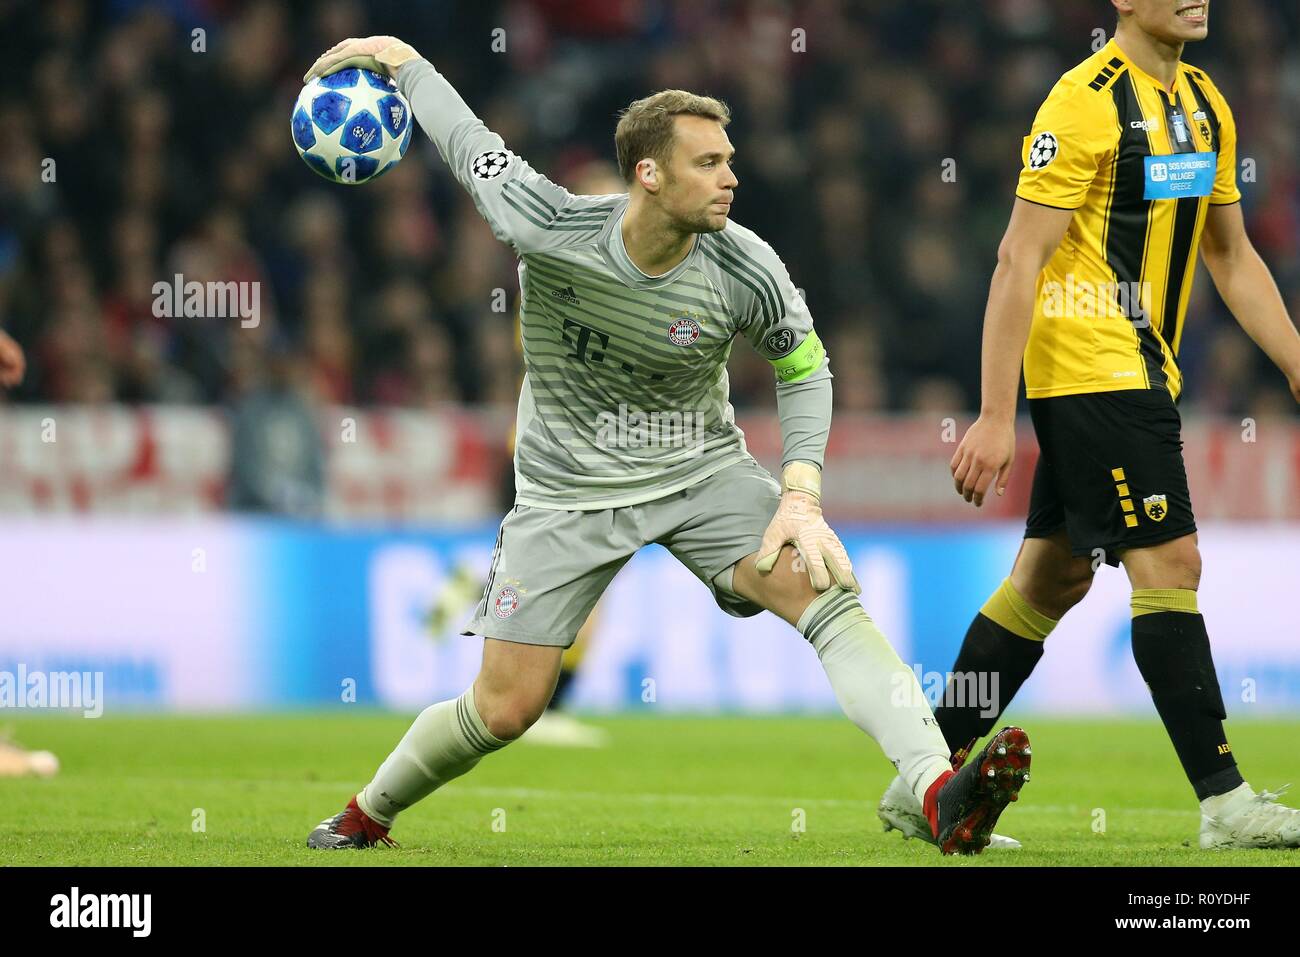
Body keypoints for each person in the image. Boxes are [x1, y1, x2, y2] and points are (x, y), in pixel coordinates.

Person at [300, 35, 1031, 855]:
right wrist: (398, 59)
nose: (732, 178)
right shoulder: (548, 225)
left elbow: (806, 369)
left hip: (699, 470)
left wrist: (800, 494)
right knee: (506, 708)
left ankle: (936, 792)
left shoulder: (745, 264)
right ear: (649, 173)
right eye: (710, 163)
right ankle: (365, 815)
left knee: (825, 588)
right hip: (568, 489)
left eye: (730, 160)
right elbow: (469, 144)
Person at [878, 0, 1300, 850]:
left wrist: (1295, 357)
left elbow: (1230, 253)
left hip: (1145, 366)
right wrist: (999, 415)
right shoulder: (1082, 102)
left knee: (1050, 578)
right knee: (1172, 561)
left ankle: (920, 775)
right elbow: (1017, 256)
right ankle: (1224, 799)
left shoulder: (1205, 103)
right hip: (1090, 365)